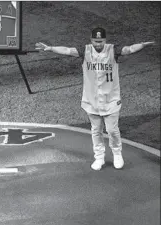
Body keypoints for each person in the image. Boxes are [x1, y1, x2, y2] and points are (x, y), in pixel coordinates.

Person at [36, 27, 155, 170]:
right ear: (91, 40)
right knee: (96, 130)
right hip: (91, 100)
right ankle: (99, 157)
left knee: (112, 130)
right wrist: (50, 48)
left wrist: (142, 45)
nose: (98, 44)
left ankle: (117, 154)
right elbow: (68, 50)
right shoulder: (85, 50)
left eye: (101, 41)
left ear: (105, 40)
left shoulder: (112, 50)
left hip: (111, 99)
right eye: (95, 41)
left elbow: (129, 49)